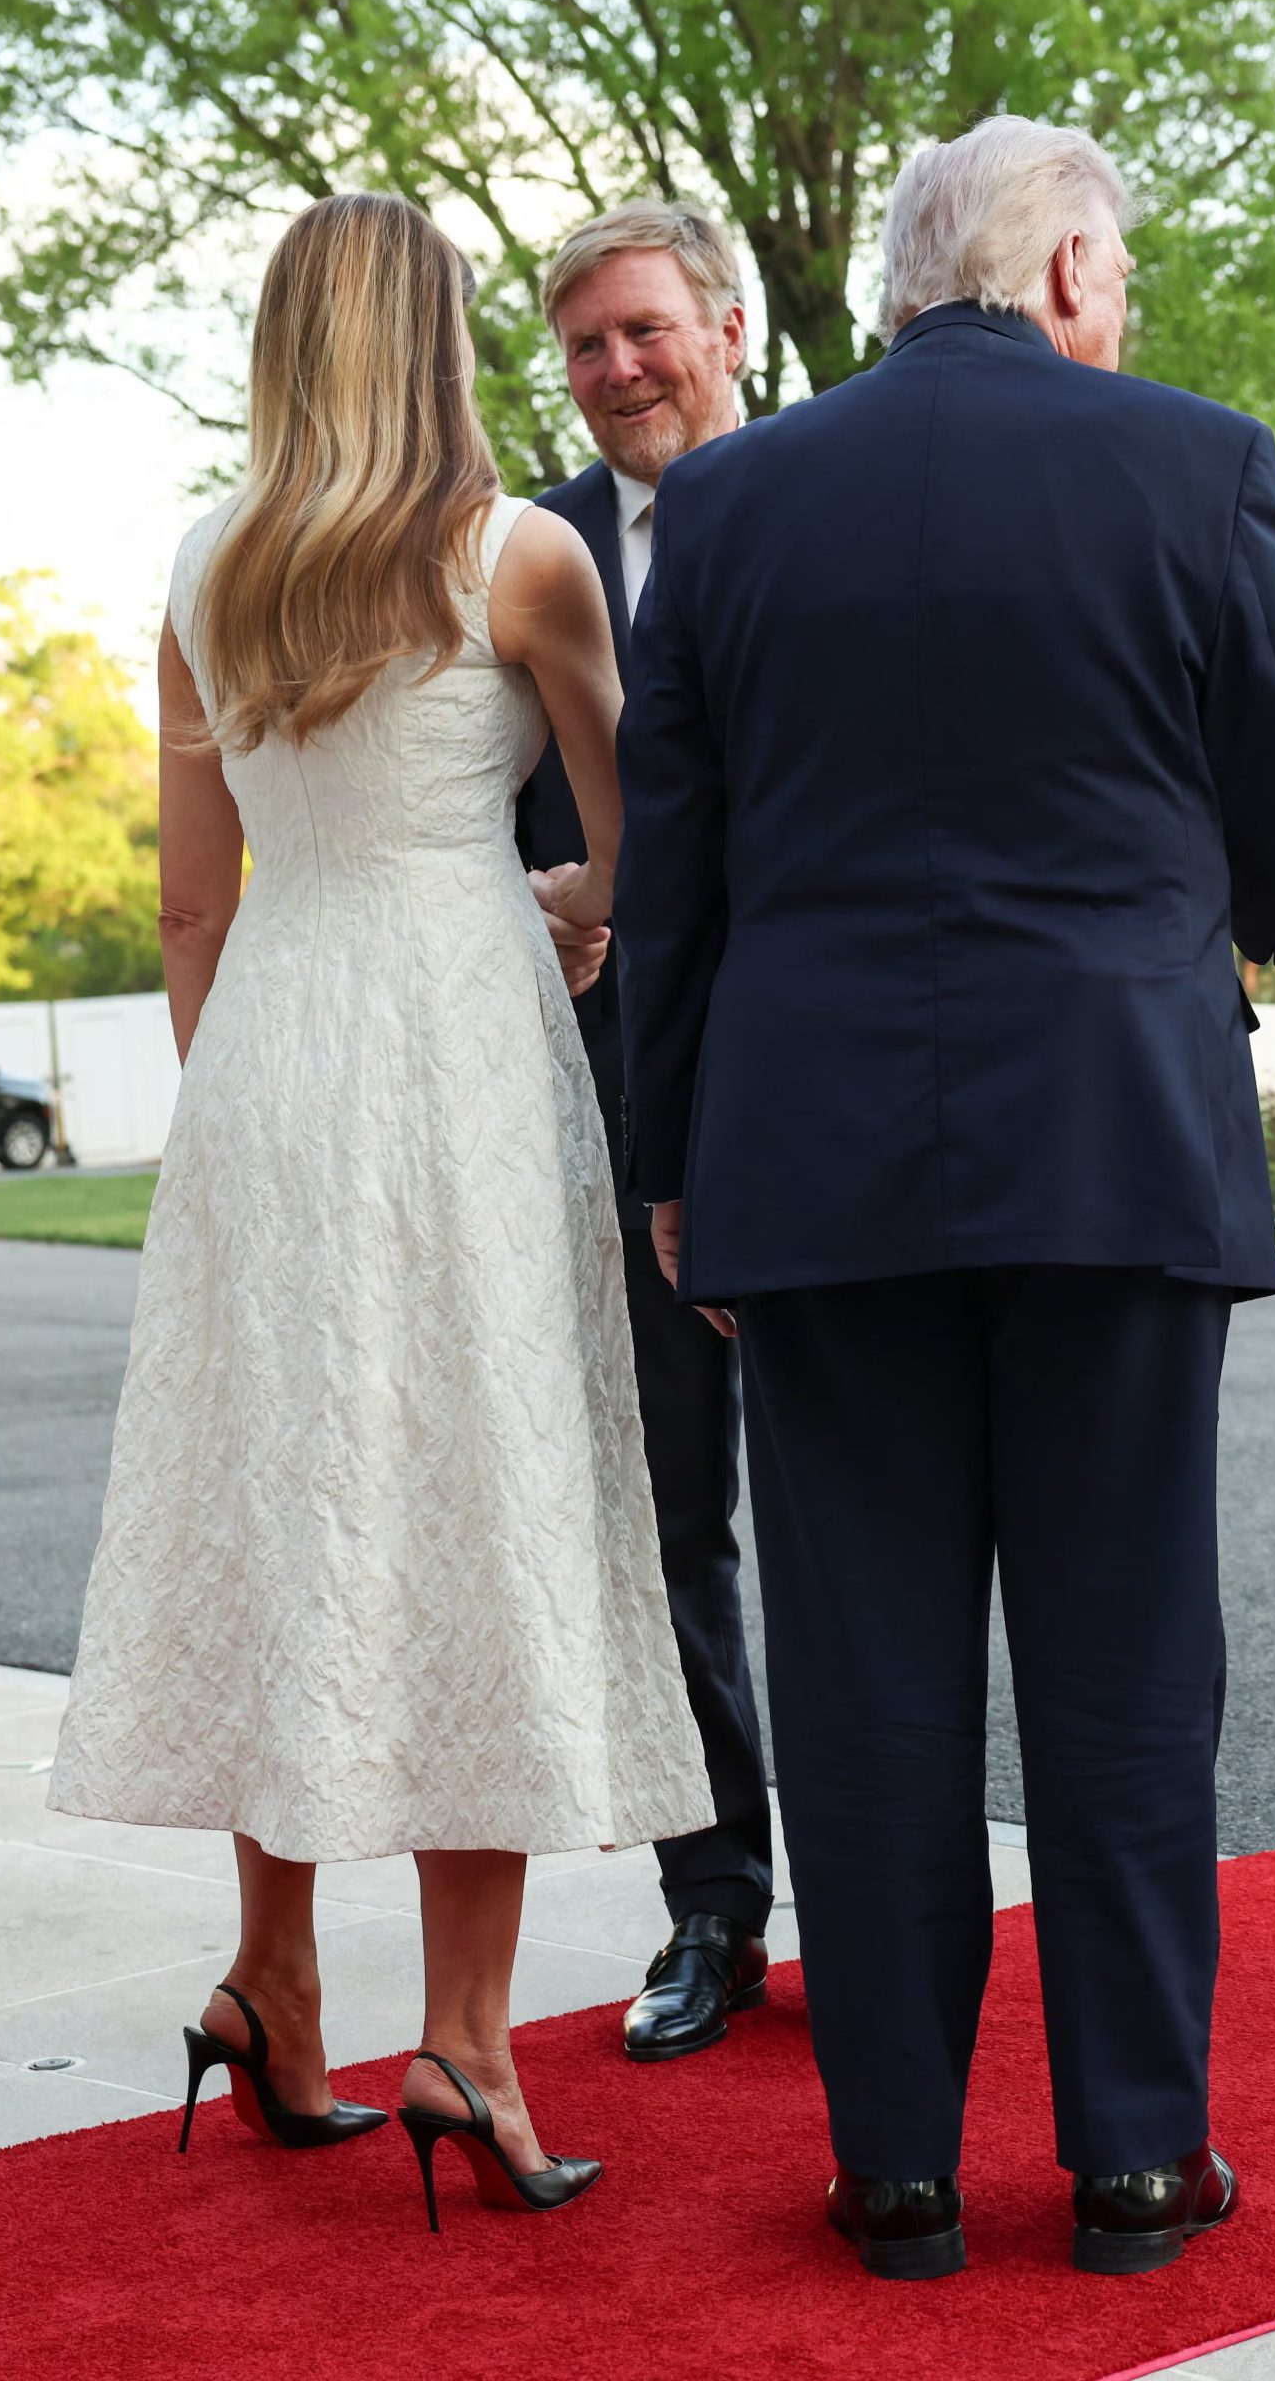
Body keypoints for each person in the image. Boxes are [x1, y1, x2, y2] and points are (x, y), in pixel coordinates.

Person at [613, 117, 1275, 2280]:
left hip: (813, 1156)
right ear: (1056, 275)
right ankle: (1134, 2153)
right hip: (1112, 1126)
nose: (1115, 307)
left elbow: (679, 877)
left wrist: (672, 1164)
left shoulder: (729, 502)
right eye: (1110, 270)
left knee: (857, 1677)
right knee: (1124, 1669)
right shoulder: (1191, 463)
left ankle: (897, 2163)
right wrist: (1150, 934)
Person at [47, 193, 714, 2226]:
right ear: (434, 340)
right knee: (471, 1505)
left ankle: (271, 1981)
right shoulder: (521, 555)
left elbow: (189, 899)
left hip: (270, 1060)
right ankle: (470, 2041)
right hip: (456, 1057)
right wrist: (565, 914)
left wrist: (238, 1093)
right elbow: (643, 842)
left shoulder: (201, 564)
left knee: (287, 1509)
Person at [516, 204, 778, 2061]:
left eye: (646, 331)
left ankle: (892, 1910)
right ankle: (712, 1913)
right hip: (611, 1107)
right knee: (671, 1523)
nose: (619, 370)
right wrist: (550, 887)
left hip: (819, 1085)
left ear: (731, 325)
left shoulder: (842, 500)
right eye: (589, 344)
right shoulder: (528, 548)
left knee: (863, 1530)